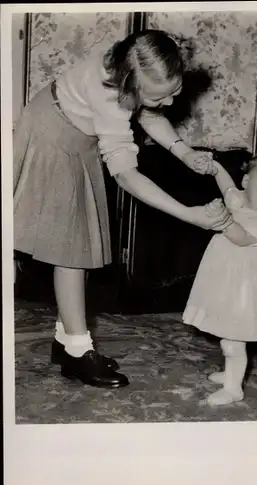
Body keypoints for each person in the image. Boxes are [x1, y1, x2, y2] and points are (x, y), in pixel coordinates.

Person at [14, 29, 232, 389]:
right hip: (51, 134)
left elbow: (147, 110)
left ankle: (67, 339)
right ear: (129, 85)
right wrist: (188, 214)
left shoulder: (130, 60)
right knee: (71, 252)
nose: (173, 99)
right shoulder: (111, 97)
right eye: (164, 94)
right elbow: (128, 176)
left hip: (76, 133)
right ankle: (77, 352)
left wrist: (183, 151)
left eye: (175, 89)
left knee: (79, 242)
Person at [183, 152, 257, 406]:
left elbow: (241, 237)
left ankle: (234, 388)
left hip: (245, 292)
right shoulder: (239, 199)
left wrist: (223, 220)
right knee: (227, 334)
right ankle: (231, 372)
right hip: (226, 282)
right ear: (246, 182)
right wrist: (214, 167)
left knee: (234, 340)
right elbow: (225, 185)